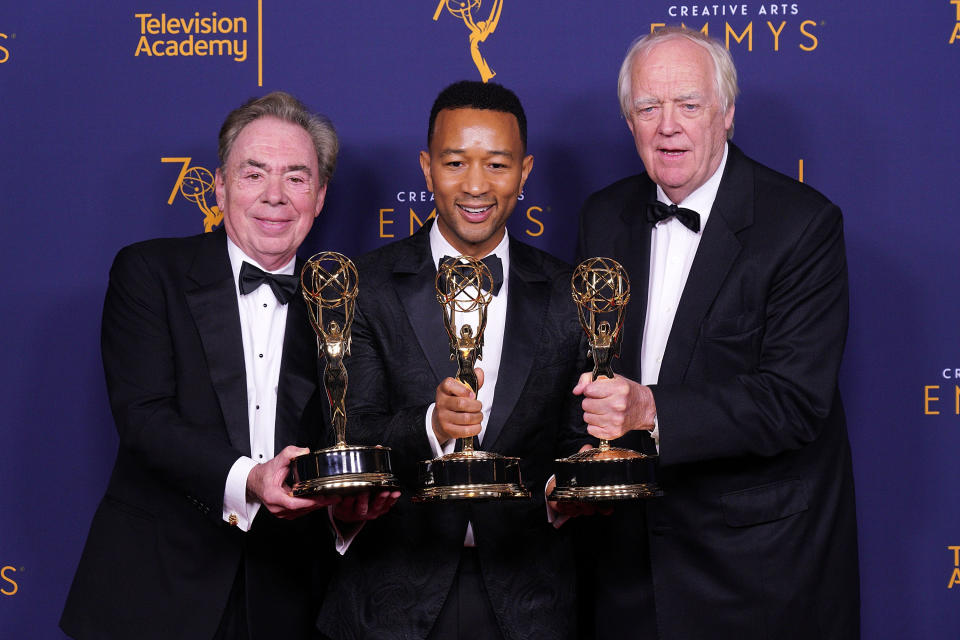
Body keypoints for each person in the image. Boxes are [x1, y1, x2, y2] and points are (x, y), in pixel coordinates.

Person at [61, 91, 395, 640]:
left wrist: (344, 510)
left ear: (320, 196)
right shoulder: (149, 272)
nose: (274, 196)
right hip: (155, 590)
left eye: (296, 177)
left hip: (293, 595)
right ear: (219, 186)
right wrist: (251, 479)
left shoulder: (347, 298)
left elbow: (349, 432)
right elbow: (144, 417)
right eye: (253, 174)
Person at [573, 27, 860, 639]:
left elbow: (792, 401)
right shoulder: (603, 215)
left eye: (689, 105)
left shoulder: (803, 226)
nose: (667, 125)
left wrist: (651, 408)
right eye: (649, 107)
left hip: (755, 577)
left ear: (727, 114)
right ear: (630, 121)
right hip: (625, 571)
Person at [316, 80, 589, 639]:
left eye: (497, 164)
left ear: (526, 171)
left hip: (533, 604)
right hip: (388, 605)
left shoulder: (570, 293)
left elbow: (572, 442)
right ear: (425, 167)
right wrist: (429, 428)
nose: (475, 186)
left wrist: (571, 488)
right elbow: (351, 433)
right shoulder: (362, 287)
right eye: (455, 162)